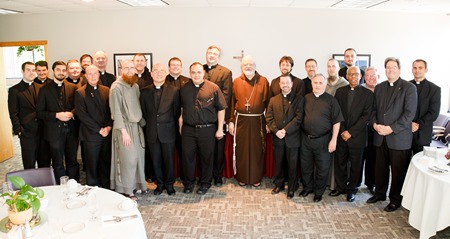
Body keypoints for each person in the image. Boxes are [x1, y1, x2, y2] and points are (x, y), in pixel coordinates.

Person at [367, 57, 417, 212]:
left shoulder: (409, 88)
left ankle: (395, 199)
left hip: (399, 138)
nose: (390, 70)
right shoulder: (380, 87)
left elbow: (409, 115)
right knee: (380, 169)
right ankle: (379, 193)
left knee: (398, 172)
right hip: (380, 136)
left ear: (399, 69)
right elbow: (373, 110)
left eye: (393, 67)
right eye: (387, 67)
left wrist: (390, 128)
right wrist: (375, 124)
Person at [179, 62, 227, 195]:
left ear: (204, 73)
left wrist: (219, 129)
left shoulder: (213, 88)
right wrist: (181, 128)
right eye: (193, 72)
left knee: (207, 158)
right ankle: (188, 183)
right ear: (190, 73)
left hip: (207, 129)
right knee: (187, 158)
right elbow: (181, 111)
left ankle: (205, 183)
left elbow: (221, 109)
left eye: (199, 72)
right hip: (188, 130)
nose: (196, 75)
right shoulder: (184, 89)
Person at [331, 66, 374, 202]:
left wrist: (350, 132)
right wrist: (343, 130)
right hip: (342, 134)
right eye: (351, 74)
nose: (353, 77)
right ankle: (340, 187)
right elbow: (337, 113)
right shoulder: (340, 92)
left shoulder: (368, 94)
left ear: (360, 76)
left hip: (357, 136)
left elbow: (366, 117)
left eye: (356, 74)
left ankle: (352, 190)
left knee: (356, 165)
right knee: (340, 163)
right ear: (347, 76)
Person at [299, 73, 343, 202]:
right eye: (315, 82)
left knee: (322, 168)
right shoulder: (305, 98)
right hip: (306, 139)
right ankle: (307, 188)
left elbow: (337, 121)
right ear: (311, 84)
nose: (317, 85)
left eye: (320, 83)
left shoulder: (331, 100)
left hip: (324, 140)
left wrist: (334, 140)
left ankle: (318, 192)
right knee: (306, 166)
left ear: (325, 84)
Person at [229, 55, 270, 187]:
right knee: (242, 149)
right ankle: (242, 176)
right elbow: (231, 103)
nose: (248, 66)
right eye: (245, 64)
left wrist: (269, 122)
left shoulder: (263, 81)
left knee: (257, 149)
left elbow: (269, 104)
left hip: (258, 120)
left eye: (250, 64)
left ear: (255, 66)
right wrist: (230, 121)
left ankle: (256, 177)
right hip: (241, 121)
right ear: (241, 67)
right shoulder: (236, 81)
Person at [36, 61, 80, 183]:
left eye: (63, 70)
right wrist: (56, 115)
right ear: (53, 71)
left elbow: (78, 107)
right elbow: (40, 112)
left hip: (71, 131)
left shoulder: (73, 88)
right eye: (58, 70)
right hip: (54, 132)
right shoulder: (44, 90)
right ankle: (61, 186)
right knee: (58, 162)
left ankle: (74, 185)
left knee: (72, 161)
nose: (61, 73)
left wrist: (72, 113)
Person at [140, 63, 180, 196]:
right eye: (155, 71)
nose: (158, 73)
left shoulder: (174, 90)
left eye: (161, 71)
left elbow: (175, 113)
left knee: (169, 160)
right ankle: (159, 184)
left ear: (166, 73)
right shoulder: (145, 91)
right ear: (151, 73)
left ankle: (169, 185)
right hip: (151, 132)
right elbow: (144, 112)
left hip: (168, 132)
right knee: (155, 160)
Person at [109, 60, 147, 200]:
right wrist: (123, 131)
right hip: (123, 128)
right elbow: (116, 111)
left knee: (138, 158)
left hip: (136, 127)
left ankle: (136, 185)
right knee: (127, 160)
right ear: (121, 70)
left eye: (132, 68)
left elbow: (137, 106)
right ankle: (127, 189)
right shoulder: (116, 87)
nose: (130, 71)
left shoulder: (135, 86)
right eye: (127, 68)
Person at [74, 65, 112, 188]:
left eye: (95, 73)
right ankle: (92, 187)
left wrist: (108, 127)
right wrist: (99, 129)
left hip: (106, 133)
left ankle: (106, 186)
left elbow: (110, 111)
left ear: (99, 74)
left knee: (105, 162)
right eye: (90, 74)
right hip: (91, 135)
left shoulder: (106, 90)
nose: (93, 76)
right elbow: (82, 115)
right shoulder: (80, 93)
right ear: (85, 75)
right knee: (92, 164)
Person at [266, 74, 303, 199]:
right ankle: (279, 185)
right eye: (283, 83)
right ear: (279, 85)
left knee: (292, 165)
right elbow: (269, 118)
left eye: (287, 83)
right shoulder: (273, 100)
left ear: (292, 84)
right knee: (279, 163)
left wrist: (285, 130)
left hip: (292, 138)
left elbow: (298, 118)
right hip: (278, 138)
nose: (285, 85)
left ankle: (291, 188)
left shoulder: (299, 99)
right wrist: (276, 131)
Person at [8, 62, 49, 169]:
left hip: (43, 131)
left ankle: (45, 185)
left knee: (44, 163)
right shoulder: (14, 90)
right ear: (22, 71)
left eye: (33, 70)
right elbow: (13, 112)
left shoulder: (42, 88)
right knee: (29, 164)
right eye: (28, 70)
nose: (31, 72)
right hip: (27, 132)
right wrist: (19, 130)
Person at [203, 45, 233, 187]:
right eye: (210, 53)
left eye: (215, 54)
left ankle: (218, 175)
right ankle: (205, 175)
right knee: (204, 148)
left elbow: (227, 97)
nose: (212, 55)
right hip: (201, 117)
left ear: (219, 57)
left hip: (218, 116)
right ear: (206, 54)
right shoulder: (199, 70)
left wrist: (224, 118)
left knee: (218, 149)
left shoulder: (226, 72)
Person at [165, 57, 190, 177]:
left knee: (184, 151)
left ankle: (185, 176)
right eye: (173, 65)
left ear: (181, 67)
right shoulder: (162, 81)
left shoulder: (188, 81)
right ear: (169, 67)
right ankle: (169, 176)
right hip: (167, 122)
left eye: (178, 65)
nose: (175, 67)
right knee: (167, 152)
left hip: (184, 121)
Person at [410, 59, 441, 154]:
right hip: (405, 133)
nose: (417, 70)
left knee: (421, 163)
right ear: (412, 70)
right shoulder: (406, 86)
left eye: (420, 68)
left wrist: (417, 124)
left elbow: (434, 113)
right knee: (403, 165)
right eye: (415, 68)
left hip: (423, 134)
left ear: (426, 70)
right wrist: (409, 124)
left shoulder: (434, 89)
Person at [133, 53, 154, 183]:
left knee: (150, 147)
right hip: (134, 118)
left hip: (149, 118)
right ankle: (137, 173)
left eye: (142, 60)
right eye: (137, 61)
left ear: (145, 62)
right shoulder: (129, 77)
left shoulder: (151, 76)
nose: (139, 63)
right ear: (133, 62)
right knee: (136, 148)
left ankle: (149, 173)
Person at [360, 67, 379, 194]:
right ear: (364, 77)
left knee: (373, 159)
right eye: (368, 75)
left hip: (375, 130)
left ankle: (371, 183)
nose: (370, 78)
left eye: (373, 75)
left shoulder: (382, 90)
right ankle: (355, 184)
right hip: (360, 130)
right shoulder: (360, 89)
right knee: (359, 158)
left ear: (378, 76)